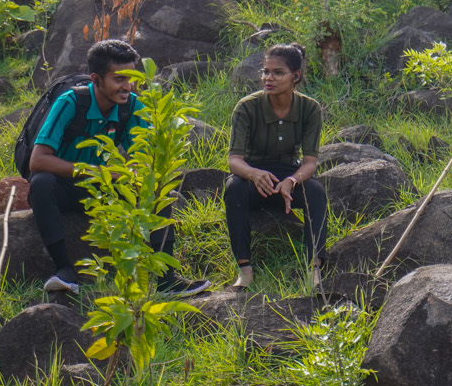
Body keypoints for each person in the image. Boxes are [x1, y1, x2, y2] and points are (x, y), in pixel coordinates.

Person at [27, 37, 210, 296]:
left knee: (157, 188)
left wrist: (142, 172)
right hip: (66, 186)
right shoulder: (70, 102)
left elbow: (144, 156)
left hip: (104, 190)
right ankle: (64, 270)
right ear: (96, 79)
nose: (128, 86)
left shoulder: (131, 106)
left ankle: (166, 279)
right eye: (119, 79)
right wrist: (101, 172)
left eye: (132, 78)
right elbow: (38, 160)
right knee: (41, 184)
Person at [225, 43, 328, 290]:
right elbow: (234, 160)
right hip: (253, 177)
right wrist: (254, 173)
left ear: (296, 76)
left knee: (315, 191)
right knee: (233, 188)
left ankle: (314, 270)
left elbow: (310, 162)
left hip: (288, 176)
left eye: (277, 72)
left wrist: (292, 181)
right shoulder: (247, 107)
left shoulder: (309, 108)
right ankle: (245, 270)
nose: (268, 78)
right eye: (265, 71)